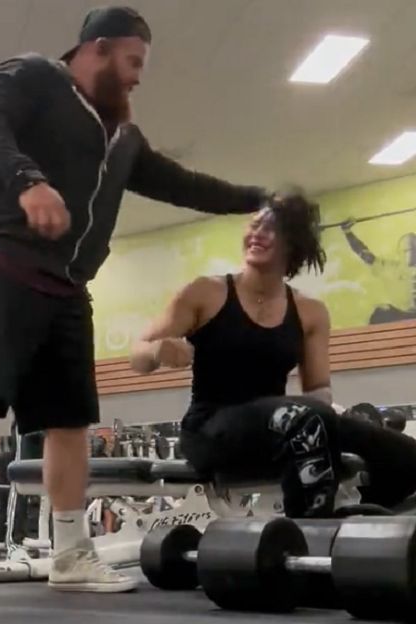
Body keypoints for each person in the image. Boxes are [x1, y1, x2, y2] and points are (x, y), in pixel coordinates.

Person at [0, 5, 271, 593]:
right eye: (132, 62)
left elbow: (184, 185)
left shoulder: (123, 137)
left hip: (69, 285)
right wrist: (28, 180)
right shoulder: (33, 77)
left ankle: (72, 553)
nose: (136, 77)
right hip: (2, 263)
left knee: (69, 420)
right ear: (96, 49)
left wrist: (258, 197)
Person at [130, 193, 416, 517]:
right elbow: (137, 355)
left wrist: (350, 431)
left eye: (271, 228)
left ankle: (365, 514)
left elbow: (318, 394)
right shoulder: (205, 292)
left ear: (293, 243)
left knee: (404, 454)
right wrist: (156, 350)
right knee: (306, 418)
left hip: (281, 427)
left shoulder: (311, 312)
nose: (257, 234)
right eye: (255, 225)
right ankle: (309, 536)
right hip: (210, 430)